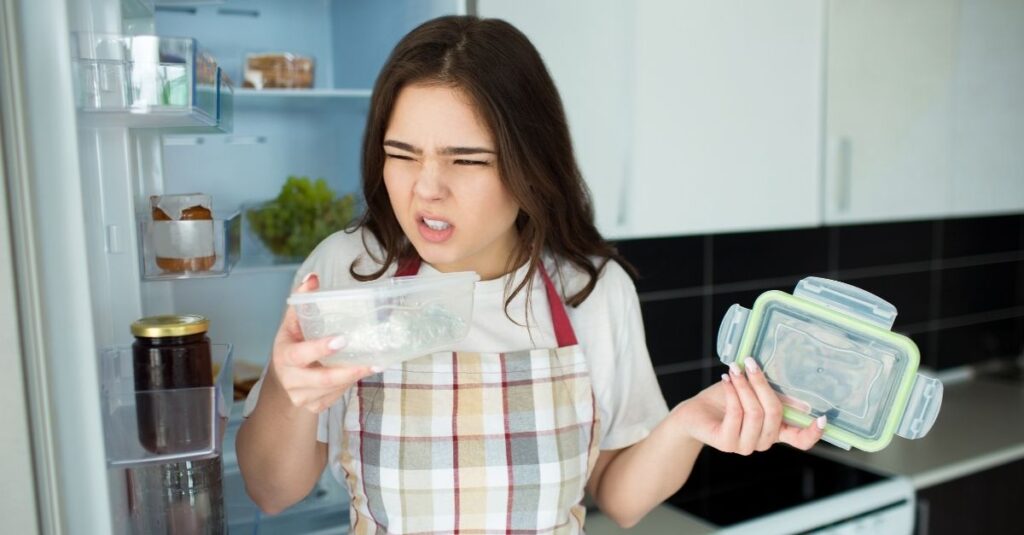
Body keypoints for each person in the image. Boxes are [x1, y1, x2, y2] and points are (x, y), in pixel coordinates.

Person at [236, 15, 826, 533]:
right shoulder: (347, 273)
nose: (426, 189)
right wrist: (291, 396)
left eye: (466, 160)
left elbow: (618, 498)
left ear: (529, 164)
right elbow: (272, 491)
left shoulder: (590, 291)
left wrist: (689, 426)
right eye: (402, 153)